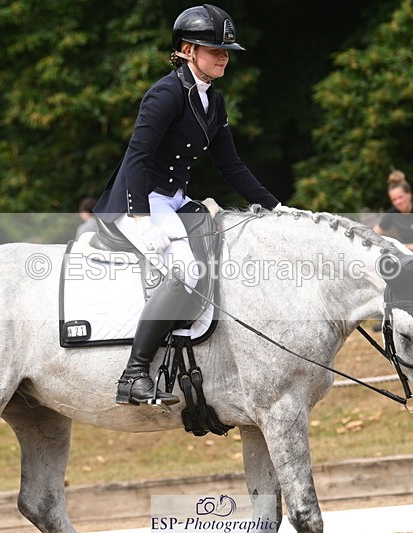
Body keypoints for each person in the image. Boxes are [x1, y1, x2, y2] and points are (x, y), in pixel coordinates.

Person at [94, 4, 280, 406]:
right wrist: (142, 219)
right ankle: (134, 374)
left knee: (220, 247)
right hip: (137, 201)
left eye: (226, 50)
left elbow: (231, 166)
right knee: (186, 270)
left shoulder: (215, 101)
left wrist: (277, 208)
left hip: (174, 199)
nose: (224, 56)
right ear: (187, 50)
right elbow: (138, 158)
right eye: (214, 49)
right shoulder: (166, 93)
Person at [373, 170, 413, 258]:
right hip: (407, 258)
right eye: (394, 200)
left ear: (409, 194)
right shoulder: (391, 213)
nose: (398, 202)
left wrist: (398, 246)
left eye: (400, 197)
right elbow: (374, 232)